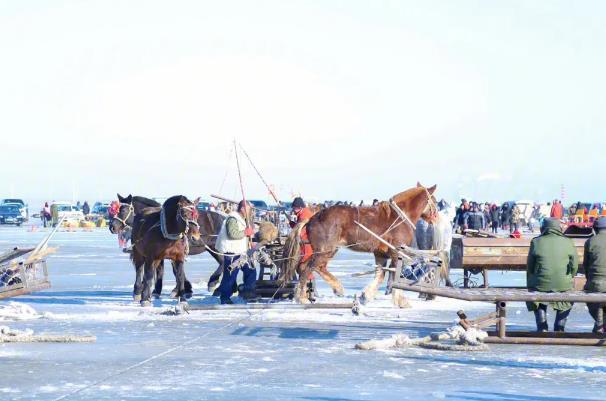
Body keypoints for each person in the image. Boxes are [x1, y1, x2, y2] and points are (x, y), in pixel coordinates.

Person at [526, 218, 578, 332]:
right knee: (567, 297)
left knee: (536, 294)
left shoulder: (536, 241)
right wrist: (569, 276)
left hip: (540, 284)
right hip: (563, 284)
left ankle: (542, 326)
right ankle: (560, 327)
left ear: (543, 228)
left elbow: (530, 267)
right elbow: (574, 266)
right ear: (559, 228)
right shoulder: (568, 241)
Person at [216, 200, 255, 304]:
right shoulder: (233, 218)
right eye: (248, 209)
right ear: (242, 209)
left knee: (250, 270)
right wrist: (245, 232)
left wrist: (250, 240)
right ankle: (225, 298)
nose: (250, 211)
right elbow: (232, 234)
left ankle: (247, 291)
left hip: (242, 252)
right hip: (232, 252)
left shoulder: (244, 219)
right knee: (230, 276)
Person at [583, 217, 606, 333]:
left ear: (595, 229)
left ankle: (600, 324)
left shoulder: (590, 241)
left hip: (595, 284)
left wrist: (589, 280)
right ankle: (601, 324)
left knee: (591, 299)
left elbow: (586, 266)